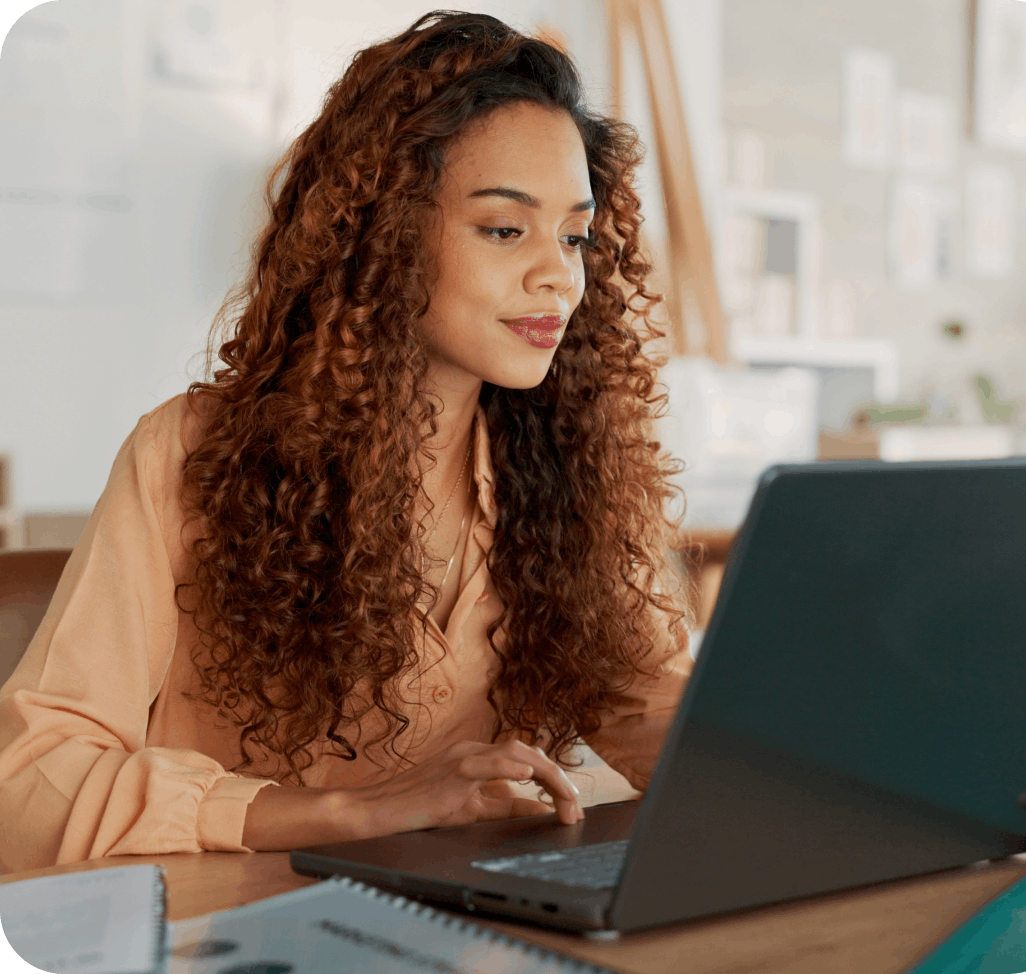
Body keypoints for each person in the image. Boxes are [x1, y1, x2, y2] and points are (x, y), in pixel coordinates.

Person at [0, 11, 695, 872]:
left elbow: (657, 716)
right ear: (385, 232)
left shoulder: (566, 479)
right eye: (504, 229)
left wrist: (795, 758)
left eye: (575, 235)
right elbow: (26, 786)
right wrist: (342, 812)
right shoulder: (188, 456)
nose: (560, 273)